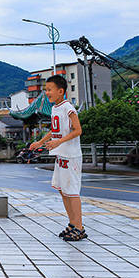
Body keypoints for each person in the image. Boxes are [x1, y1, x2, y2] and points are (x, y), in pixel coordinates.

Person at [30, 75, 86, 241]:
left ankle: (79, 227)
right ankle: (72, 223)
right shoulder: (55, 108)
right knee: (63, 190)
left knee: (72, 192)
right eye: (45, 90)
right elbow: (55, 130)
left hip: (71, 155)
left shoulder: (68, 108)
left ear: (61, 91)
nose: (47, 92)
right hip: (61, 155)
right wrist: (40, 142)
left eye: (49, 89)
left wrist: (58, 142)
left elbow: (77, 130)